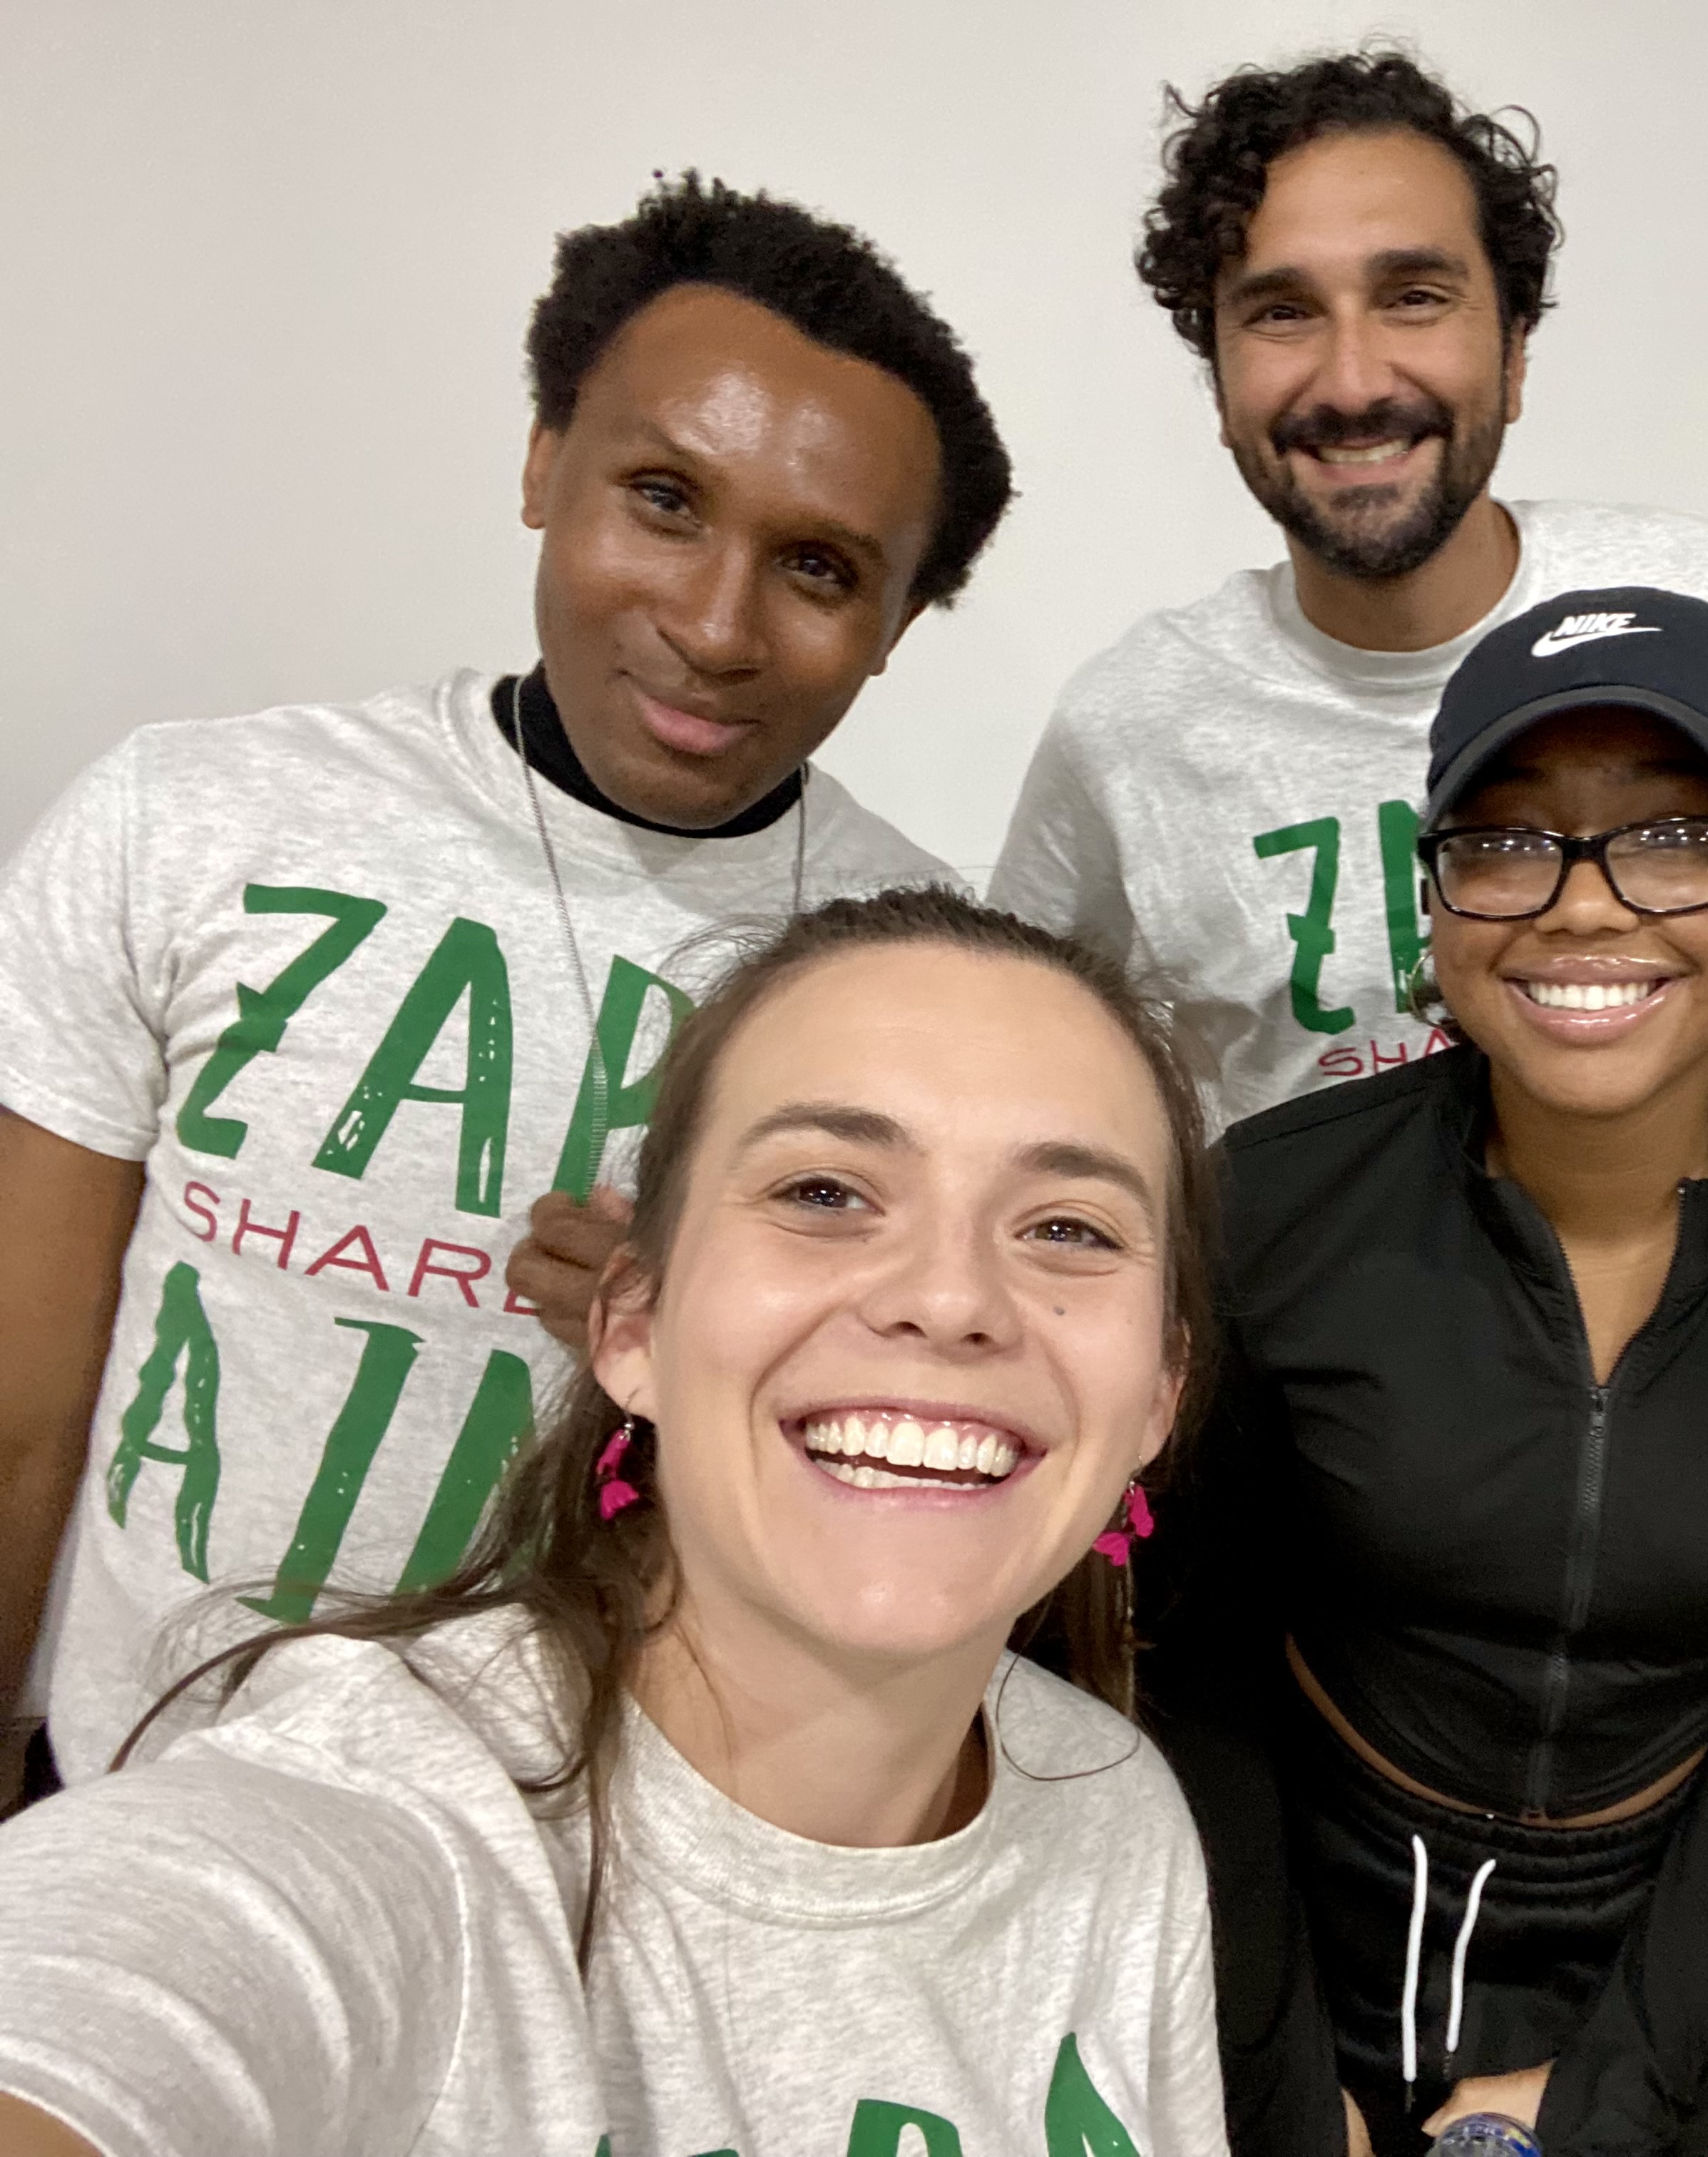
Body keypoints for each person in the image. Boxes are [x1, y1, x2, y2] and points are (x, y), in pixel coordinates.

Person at [0, 173, 1006, 1806]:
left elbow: (934, 1503)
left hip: (609, 1888)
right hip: (137, 1823)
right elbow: (19, 1408)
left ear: (898, 624)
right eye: (664, 500)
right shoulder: (183, 821)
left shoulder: (937, 983)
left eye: (820, 567)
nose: (713, 622)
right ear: (545, 464)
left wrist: (717, 1353)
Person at [0, 887, 1227, 2157]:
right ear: (631, 1326)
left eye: (1069, 1227)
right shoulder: (380, 1826)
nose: (950, 1294)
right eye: (823, 1192)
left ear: (1157, 1397)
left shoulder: (1113, 1813)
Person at [1143, 587, 1708, 2156]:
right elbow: (1193, 1657)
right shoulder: (1267, 1202)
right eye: (1509, 838)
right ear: (1439, 890)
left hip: (1659, 1941)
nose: (1586, 906)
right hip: (1302, 1913)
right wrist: (1271, 2070)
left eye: (1677, 836)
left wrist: (1622, 2082)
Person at [991, 48, 1708, 1128]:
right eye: (1282, 312)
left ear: (1514, 354)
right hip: (1299, 1285)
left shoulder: (1689, 604)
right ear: (1219, 379)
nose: (1353, 380)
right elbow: (1008, 1050)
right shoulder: (1128, 726)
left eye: (1416, 297)